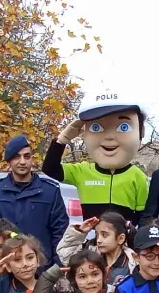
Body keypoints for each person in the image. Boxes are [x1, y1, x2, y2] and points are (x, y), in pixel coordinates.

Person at [43, 87, 150, 222]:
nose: (109, 137)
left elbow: (143, 216)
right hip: (93, 239)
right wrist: (62, 140)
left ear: (141, 132)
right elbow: (50, 168)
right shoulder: (82, 171)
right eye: (96, 127)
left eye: (123, 127)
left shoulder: (138, 176)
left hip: (125, 241)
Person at [0, 135, 69, 266]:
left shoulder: (50, 191)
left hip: (41, 269)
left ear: (32, 159)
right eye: (16, 157)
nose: (22, 161)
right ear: (9, 161)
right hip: (5, 268)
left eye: (27, 156)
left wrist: (57, 269)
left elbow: (60, 233)